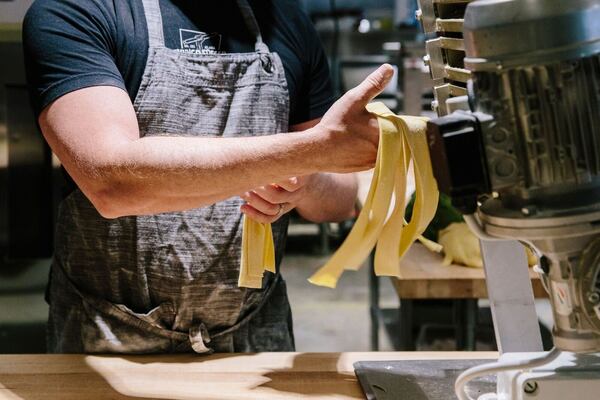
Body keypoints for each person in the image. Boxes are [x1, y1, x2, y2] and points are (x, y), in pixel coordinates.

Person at [23, 0, 394, 353]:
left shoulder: (286, 22)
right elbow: (112, 183)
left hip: (252, 339)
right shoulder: (77, 11)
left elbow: (342, 198)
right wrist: (308, 152)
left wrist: (306, 182)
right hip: (107, 341)